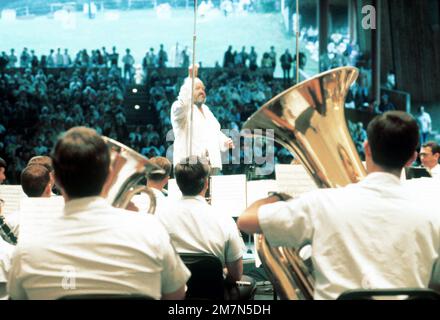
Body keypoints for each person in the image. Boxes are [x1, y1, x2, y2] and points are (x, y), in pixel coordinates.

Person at [238, 111, 440, 300]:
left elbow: (246, 221)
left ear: (367, 147)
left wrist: (277, 197)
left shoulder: (323, 203)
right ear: (412, 158)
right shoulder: (432, 215)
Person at [8, 127, 190, 300]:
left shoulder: (27, 247)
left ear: (56, 180)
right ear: (109, 174)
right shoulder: (151, 230)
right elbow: (176, 295)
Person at [156, 156, 255, 299]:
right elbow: (236, 275)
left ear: (177, 184)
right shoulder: (224, 218)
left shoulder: (159, 215)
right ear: (207, 183)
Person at [171, 64, 234, 174]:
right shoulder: (181, 109)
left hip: (212, 166)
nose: (202, 91)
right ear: (189, 90)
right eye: (197, 88)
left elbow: (215, 132)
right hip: (190, 168)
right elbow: (183, 102)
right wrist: (190, 79)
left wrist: (225, 142)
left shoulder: (207, 110)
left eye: (203, 89)